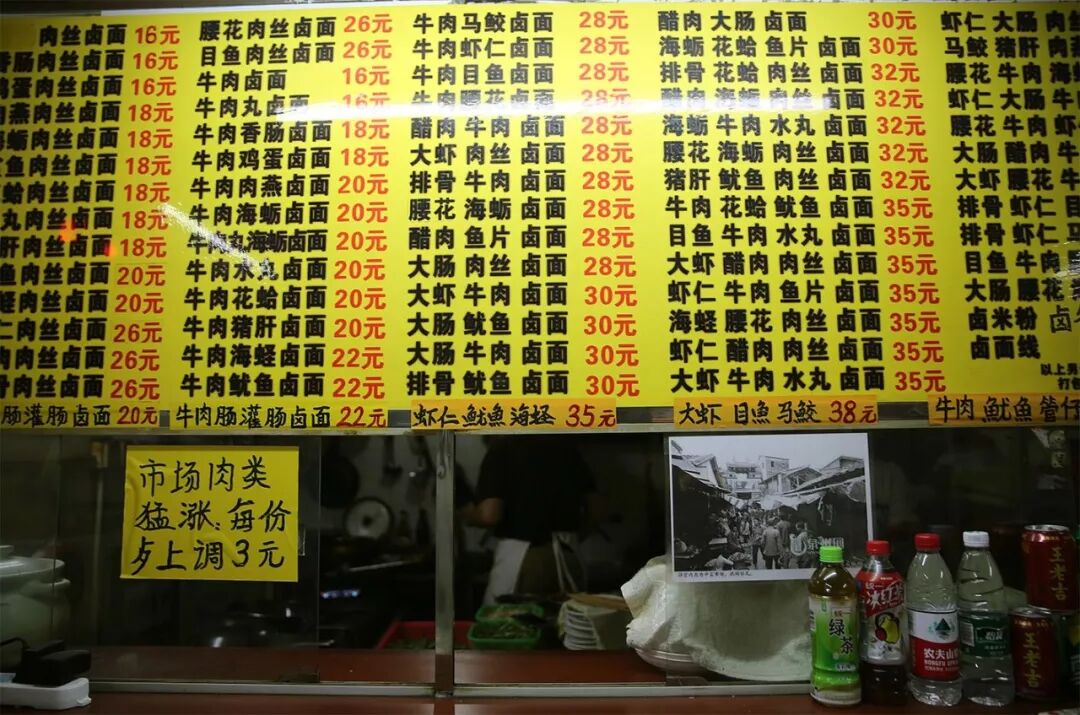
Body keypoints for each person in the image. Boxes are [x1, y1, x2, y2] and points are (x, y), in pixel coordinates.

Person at [468, 435, 599, 604]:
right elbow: (597, 510)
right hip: (569, 555)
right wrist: (573, 537)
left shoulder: (501, 451)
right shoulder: (567, 450)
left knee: (505, 618)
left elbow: (489, 515)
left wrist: (467, 516)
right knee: (568, 618)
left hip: (523, 558)